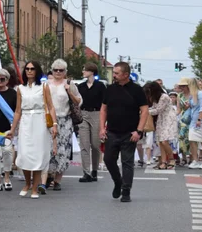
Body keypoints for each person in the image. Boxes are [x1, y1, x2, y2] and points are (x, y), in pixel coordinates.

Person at [100, 62, 149, 202]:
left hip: (130, 132)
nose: (113, 75)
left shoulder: (137, 90)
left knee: (127, 162)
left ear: (126, 75)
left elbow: (144, 110)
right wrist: (102, 128)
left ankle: (126, 190)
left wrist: (139, 131)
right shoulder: (110, 89)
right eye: (114, 73)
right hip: (112, 131)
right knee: (108, 159)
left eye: (116, 73)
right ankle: (118, 181)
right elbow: (103, 109)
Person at [8, 60, 57, 199]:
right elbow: (17, 111)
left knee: (37, 155)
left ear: (37, 71)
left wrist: (54, 124)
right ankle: (27, 183)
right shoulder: (20, 89)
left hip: (39, 120)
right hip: (25, 121)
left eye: (32, 68)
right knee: (24, 153)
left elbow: (51, 106)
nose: (29, 71)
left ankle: (35, 188)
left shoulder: (44, 86)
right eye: (27, 68)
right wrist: (12, 129)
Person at [46, 59, 81, 191]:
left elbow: (78, 101)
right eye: (56, 70)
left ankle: (57, 179)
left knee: (63, 150)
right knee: (49, 148)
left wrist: (69, 91)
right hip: (49, 120)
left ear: (65, 72)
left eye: (61, 70)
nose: (58, 72)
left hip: (65, 120)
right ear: (52, 71)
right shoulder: (46, 85)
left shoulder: (69, 84)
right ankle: (49, 174)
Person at [76, 63, 106, 182]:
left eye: (85, 70)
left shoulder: (100, 86)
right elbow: (77, 101)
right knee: (84, 144)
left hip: (96, 114)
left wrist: (104, 119)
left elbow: (105, 103)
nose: (83, 72)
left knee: (95, 144)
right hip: (83, 114)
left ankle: (94, 170)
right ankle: (86, 172)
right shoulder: (81, 86)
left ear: (91, 72)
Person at [0, 68, 17, 191]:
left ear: (7, 80)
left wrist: (15, 127)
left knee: (7, 152)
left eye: (2, 79)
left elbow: (17, 111)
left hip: (8, 128)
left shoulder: (13, 94)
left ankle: (7, 177)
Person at [145, 81, 178, 170]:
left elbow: (158, 110)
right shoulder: (156, 97)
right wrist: (146, 109)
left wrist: (145, 111)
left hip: (168, 119)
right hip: (161, 119)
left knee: (164, 141)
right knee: (160, 141)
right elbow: (154, 108)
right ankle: (163, 162)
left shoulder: (164, 97)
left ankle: (171, 159)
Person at [188, 77, 202, 169]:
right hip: (193, 121)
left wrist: (200, 120)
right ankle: (195, 160)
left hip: (200, 120)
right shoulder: (192, 95)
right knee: (192, 140)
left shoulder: (201, 94)